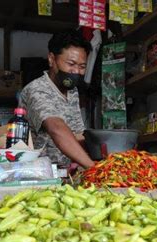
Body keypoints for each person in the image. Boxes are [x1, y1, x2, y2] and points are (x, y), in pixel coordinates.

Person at [20, 29, 95, 169]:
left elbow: (78, 135)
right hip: (40, 175)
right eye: (71, 64)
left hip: (66, 174)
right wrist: (93, 167)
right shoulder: (37, 89)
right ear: (52, 59)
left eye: (82, 66)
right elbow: (56, 128)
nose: (76, 71)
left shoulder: (72, 91)